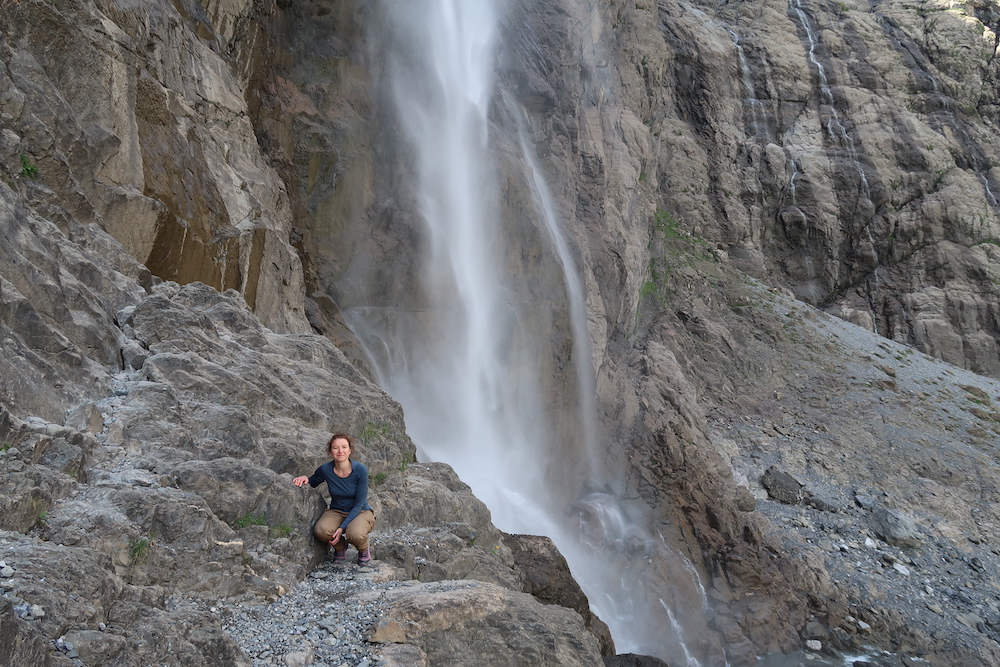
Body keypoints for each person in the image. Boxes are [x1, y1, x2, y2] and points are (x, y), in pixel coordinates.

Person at [293, 433, 376, 564]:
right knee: (321, 531)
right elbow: (313, 481)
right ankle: (340, 547)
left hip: (360, 511)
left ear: (350, 450)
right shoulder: (326, 469)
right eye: (335, 447)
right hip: (337, 510)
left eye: (344, 447)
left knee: (355, 534)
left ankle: (363, 549)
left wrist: (341, 528)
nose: (340, 451)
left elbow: (359, 503)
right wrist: (305, 478)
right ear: (330, 451)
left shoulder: (360, 470)